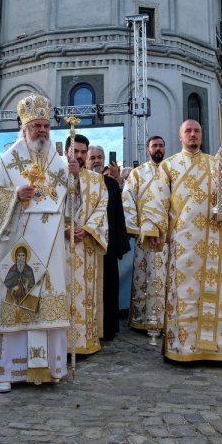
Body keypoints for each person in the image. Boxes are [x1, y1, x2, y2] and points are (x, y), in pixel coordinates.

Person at [0, 94, 71, 392]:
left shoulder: (58, 161)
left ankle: (48, 369)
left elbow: (68, 204)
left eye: (45, 125)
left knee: (45, 307)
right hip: (17, 243)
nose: (42, 131)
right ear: (25, 128)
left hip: (51, 247)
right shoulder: (9, 159)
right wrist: (14, 196)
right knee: (16, 300)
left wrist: (76, 184)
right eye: (36, 126)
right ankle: (5, 371)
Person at [140, 119, 222, 363]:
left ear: (202, 136)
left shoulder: (216, 164)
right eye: (188, 131)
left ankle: (216, 347)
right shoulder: (169, 166)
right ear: (180, 136)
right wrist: (152, 229)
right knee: (182, 294)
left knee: (212, 292)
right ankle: (182, 347)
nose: (193, 135)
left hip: (212, 239)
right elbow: (156, 200)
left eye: (197, 131)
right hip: (182, 242)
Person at [64, 134, 109, 355]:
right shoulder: (55, 176)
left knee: (85, 296)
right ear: (66, 152)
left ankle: (85, 340)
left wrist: (88, 229)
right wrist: (65, 228)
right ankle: (61, 342)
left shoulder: (96, 179)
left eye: (83, 152)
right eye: (75, 151)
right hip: (61, 245)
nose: (79, 156)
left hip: (86, 245)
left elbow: (102, 207)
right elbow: (50, 203)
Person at [123, 135, 169, 342]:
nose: (157, 149)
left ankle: (167, 318)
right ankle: (143, 318)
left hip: (168, 236)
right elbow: (128, 200)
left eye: (160, 145)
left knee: (167, 277)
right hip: (145, 236)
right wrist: (135, 228)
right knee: (145, 276)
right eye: (154, 146)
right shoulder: (138, 173)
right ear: (148, 149)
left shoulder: (172, 171)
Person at [84, 144, 129, 341]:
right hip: (86, 243)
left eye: (99, 157)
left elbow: (118, 215)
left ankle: (108, 327)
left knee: (109, 285)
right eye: (92, 157)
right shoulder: (81, 182)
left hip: (108, 245)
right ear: (86, 160)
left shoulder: (110, 184)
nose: (96, 160)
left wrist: (120, 244)